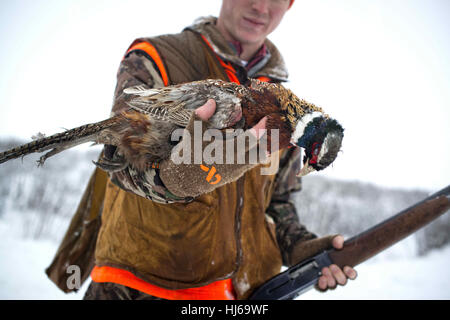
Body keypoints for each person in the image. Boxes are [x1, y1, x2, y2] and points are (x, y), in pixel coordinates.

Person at [48, 0, 356, 300]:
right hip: (138, 289)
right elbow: (118, 157)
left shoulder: (286, 107)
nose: (261, 7)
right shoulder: (159, 57)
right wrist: (175, 178)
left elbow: (275, 202)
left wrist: (302, 249)